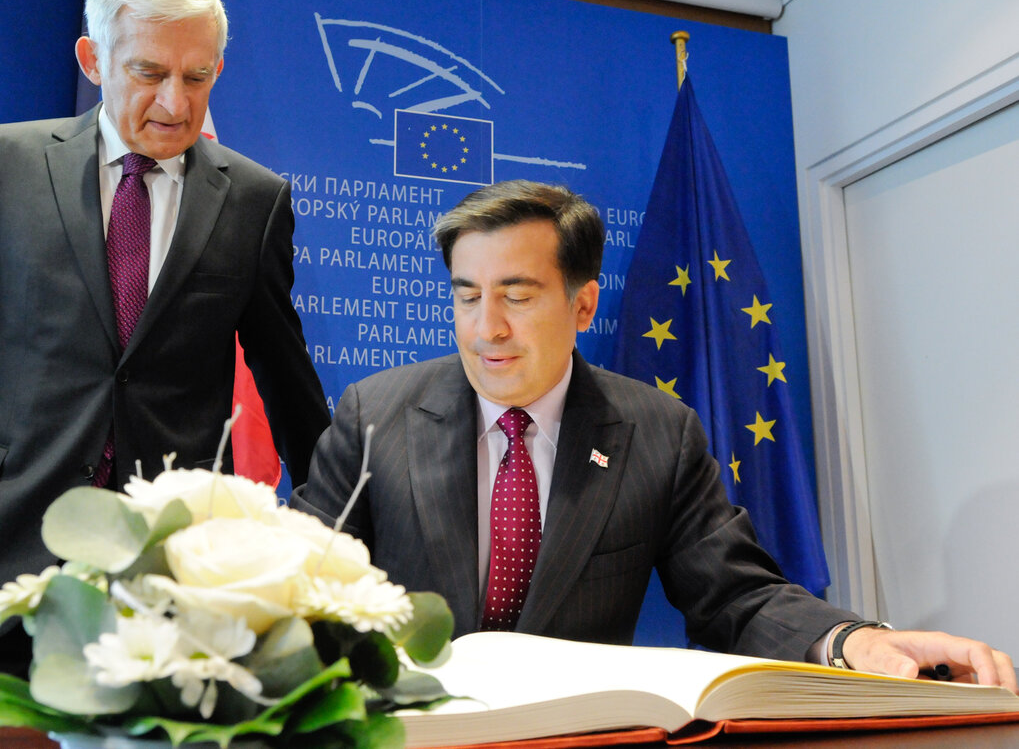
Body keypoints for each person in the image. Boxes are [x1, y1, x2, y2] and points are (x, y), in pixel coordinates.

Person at [292, 179, 1016, 691]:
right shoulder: (373, 414)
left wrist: (855, 640)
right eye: (467, 295)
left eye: (516, 295)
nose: (487, 329)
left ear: (582, 307)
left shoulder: (655, 432)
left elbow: (737, 595)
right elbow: (295, 581)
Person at [0, 0, 329, 679]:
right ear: (92, 58)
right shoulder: (5, 161)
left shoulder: (254, 200)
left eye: (197, 77)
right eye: (148, 73)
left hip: (170, 581)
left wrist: (338, 541)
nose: (175, 102)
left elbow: (288, 382)